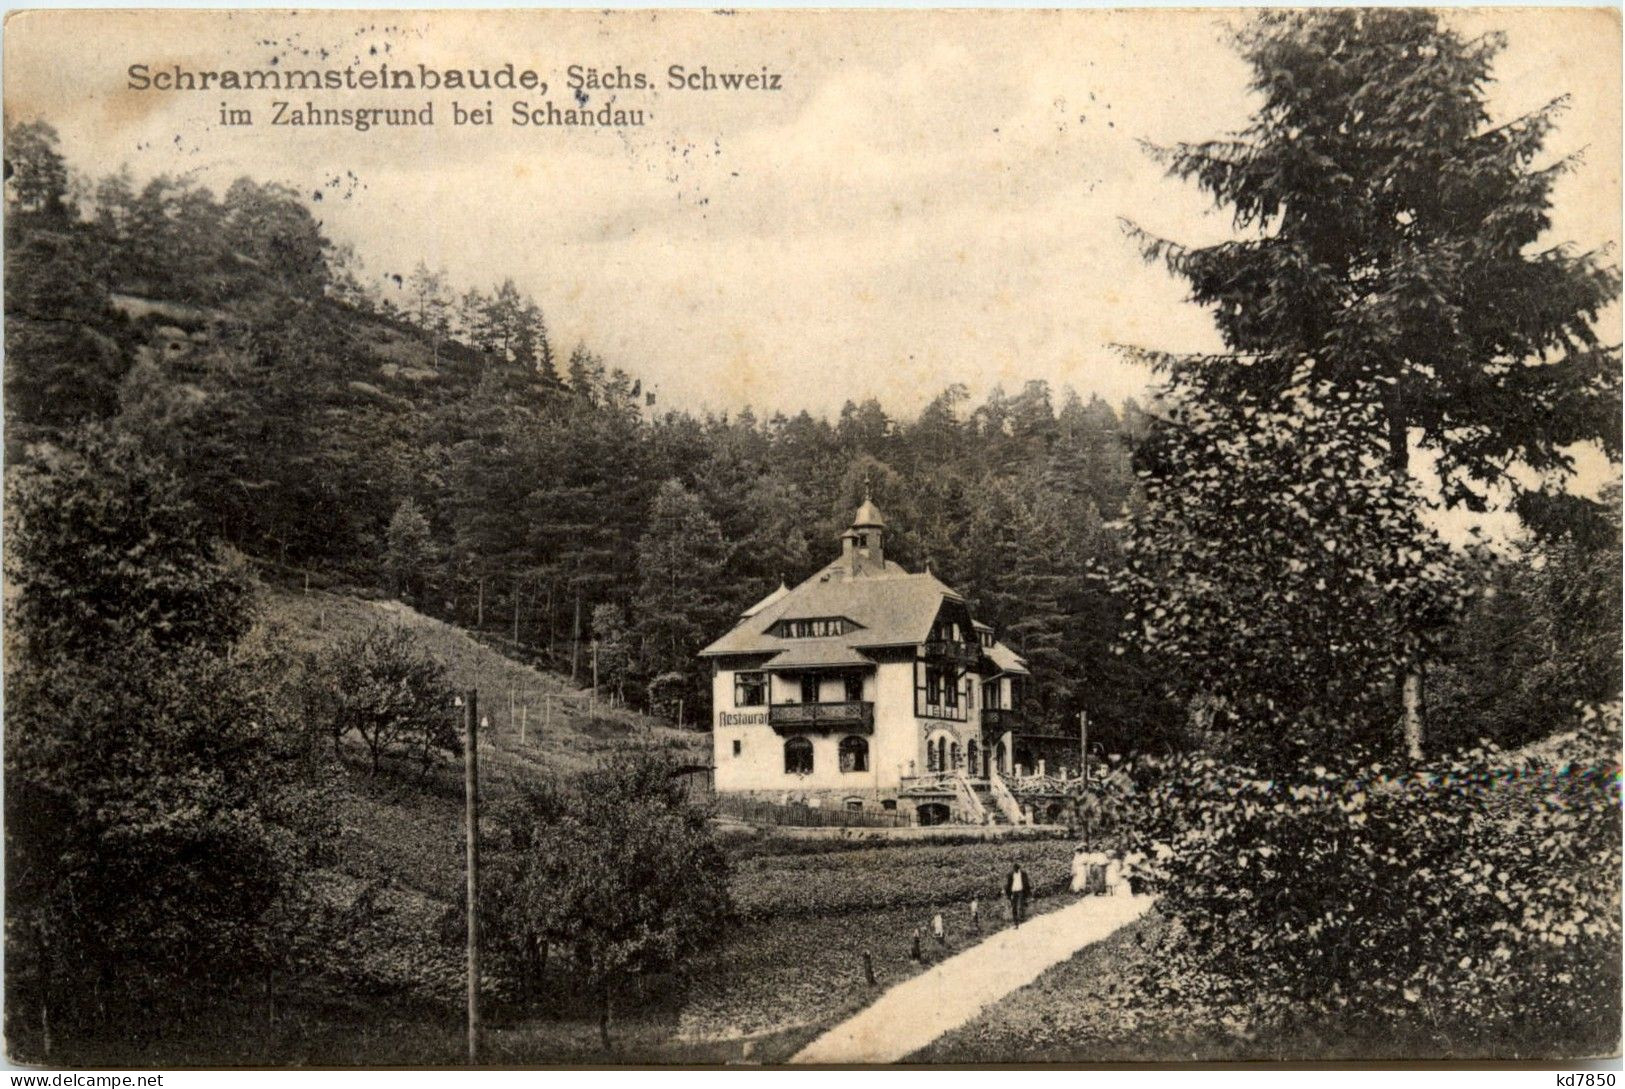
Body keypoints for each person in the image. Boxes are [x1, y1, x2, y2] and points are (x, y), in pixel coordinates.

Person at [1005, 862, 1029, 926]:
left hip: (1021, 891)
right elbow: (1008, 885)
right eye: (1014, 869)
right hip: (1014, 891)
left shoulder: (1023, 874)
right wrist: (1008, 894)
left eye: (1016, 869)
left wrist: (1027, 892)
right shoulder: (1010, 875)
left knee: (1021, 905)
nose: (1015, 870)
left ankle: (1022, 918)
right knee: (1014, 906)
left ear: (1019, 868)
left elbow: (1026, 883)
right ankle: (1015, 921)